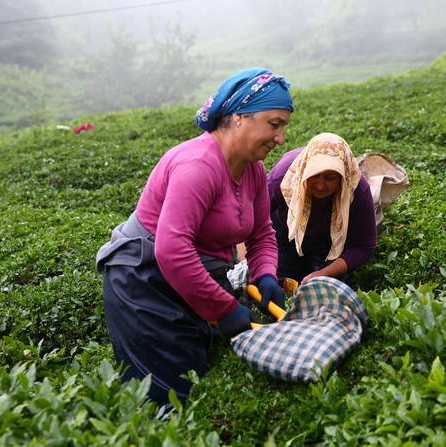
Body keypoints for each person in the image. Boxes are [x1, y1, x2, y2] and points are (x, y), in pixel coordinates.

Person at [95, 67, 291, 405]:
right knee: (171, 393)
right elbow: (172, 251)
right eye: (274, 125)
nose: (280, 139)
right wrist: (224, 308)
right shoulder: (198, 165)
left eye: (283, 127)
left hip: (191, 272)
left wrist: (266, 274)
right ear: (240, 117)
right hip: (143, 278)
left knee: (203, 367)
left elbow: (262, 234)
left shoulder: (253, 169)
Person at [267, 132, 377, 286]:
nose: (320, 186)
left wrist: (323, 273)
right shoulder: (285, 177)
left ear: (342, 177)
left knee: (325, 285)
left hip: (330, 240)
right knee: (278, 280)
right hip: (285, 233)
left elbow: (364, 246)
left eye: (330, 178)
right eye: (314, 175)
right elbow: (253, 218)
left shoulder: (356, 189)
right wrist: (252, 264)